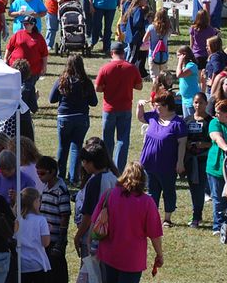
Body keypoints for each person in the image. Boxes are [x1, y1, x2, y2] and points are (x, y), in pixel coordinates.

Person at [93, 162, 163, 283]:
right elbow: (154, 232)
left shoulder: (110, 194)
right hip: (132, 259)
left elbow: (95, 219)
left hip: (109, 254)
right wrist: (159, 254)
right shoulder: (146, 202)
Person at [72, 140, 118, 283]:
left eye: (85, 161)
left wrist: (78, 235)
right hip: (110, 236)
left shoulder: (95, 182)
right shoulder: (114, 178)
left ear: (92, 162)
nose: (83, 164)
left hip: (92, 237)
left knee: (89, 277)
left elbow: (89, 215)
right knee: (104, 278)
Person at [137, 93, 187, 226]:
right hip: (148, 163)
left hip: (167, 165)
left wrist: (180, 161)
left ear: (167, 106)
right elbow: (141, 117)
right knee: (152, 192)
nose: (155, 107)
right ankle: (151, 217)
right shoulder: (154, 116)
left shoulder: (178, 123)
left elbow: (182, 143)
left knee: (168, 190)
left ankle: (167, 218)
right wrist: (139, 106)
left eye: (158, 105)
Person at [49, 53, 98, 184]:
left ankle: (60, 176)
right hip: (81, 118)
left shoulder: (62, 80)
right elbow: (94, 102)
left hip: (64, 118)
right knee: (76, 147)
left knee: (63, 147)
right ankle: (74, 178)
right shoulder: (86, 82)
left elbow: (51, 99)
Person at [95, 42, 143, 173]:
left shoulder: (105, 68)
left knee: (107, 141)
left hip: (109, 109)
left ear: (112, 53)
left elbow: (98, 88)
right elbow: (139, 86)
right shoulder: (131, 68)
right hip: (125, 108)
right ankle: (118, 170)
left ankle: (108, 167)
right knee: (122, 140)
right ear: (123, 53)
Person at [36, 156, 71, 283]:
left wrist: (61, 241)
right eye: (38, 173)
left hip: (55, 239)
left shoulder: (60, 190)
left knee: (57, 275)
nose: (39, 177)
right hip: (45, 238)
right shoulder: (45, 187)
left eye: (42, 173)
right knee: (47, 274)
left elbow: (65, 215)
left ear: (53, 172)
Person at [15, 187, 50, 283]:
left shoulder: (17, 219)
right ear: (35, 202)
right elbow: (45, 242)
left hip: (22, 262)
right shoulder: (41, 220)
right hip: (37, 262)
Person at [183, 92, 212, 228]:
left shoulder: (211, 121)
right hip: (190, 160)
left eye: (201, 102)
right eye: (195, 102)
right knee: (193, 188)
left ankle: (196, 217)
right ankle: (197, 214)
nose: (198, 105)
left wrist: (203, 145)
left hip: (204, 160)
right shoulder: (187, 120)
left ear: (206, 104)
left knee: (199, 188)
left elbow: (215, 141)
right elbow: (182, 139)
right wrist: (187, 144)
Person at [5, 15, 48, 86]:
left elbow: (44, 54)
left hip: (33, 69)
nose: (24, 25)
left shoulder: (39, 37)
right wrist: (5, 58)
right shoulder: (18, 34)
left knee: (27, 89)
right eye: (24, 23)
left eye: (27, 23)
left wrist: (44, 66)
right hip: (16, 67)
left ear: (33, 24)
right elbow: (9, 47)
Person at [206, 99, 227, 234]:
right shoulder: (214, 123)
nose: (216, 115)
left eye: (219, 113)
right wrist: (226, 148)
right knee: (218, 198)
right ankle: (218, 226)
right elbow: (217, 138)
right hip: (216, 167)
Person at [123, 0, 150, 78]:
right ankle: (126, 72)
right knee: (132, 56)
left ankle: (127, 71)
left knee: (132, 54)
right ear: (139, 1)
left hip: (132, 36)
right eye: (144, 0)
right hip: (134, 37)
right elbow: (136, 23)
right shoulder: (138, 10)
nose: (146, 1)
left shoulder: (133, 9)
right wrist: (145, 20)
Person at [143, 7, 171, 83]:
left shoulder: (151, 27)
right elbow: (169, 36)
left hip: (153, 55)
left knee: (155, 76)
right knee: (163, 76)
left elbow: (144, 39)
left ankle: (155, 92)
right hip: (164, 55)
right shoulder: (168, 28)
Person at [175, 46, 200, 116]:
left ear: (184, 55)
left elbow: (179, 74)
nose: (177, 58)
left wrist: (180, 62)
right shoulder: (184, 66)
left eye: (179, 55)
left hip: (191, 99)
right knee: (187, 121)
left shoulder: (191, 66)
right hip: (185, 99)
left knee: (192, 121)